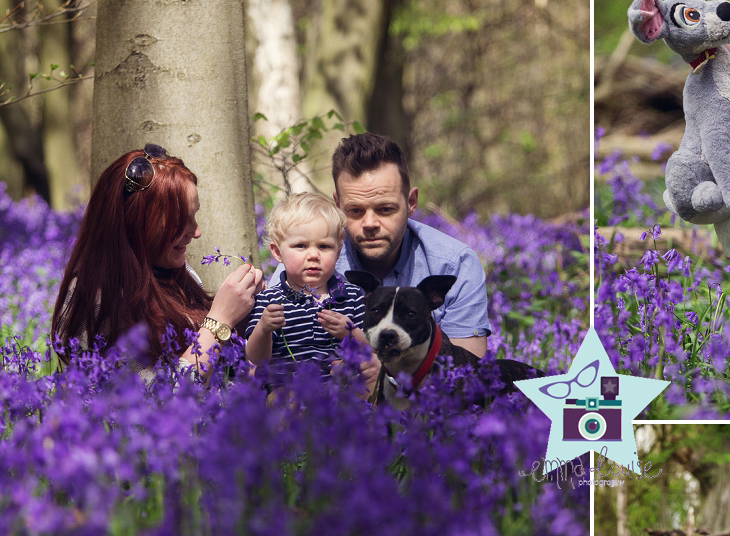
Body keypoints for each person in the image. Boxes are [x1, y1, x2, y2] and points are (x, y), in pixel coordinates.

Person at [52, 143, 263, 378]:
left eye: (194, 215)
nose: (196, 232)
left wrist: (245, 320)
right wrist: (219, 320)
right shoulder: (97, 299)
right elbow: (157, 404)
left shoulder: (179, 274)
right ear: (136, 223)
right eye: (180, 221)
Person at [271, 133, 490, 357]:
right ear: (337, 206)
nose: (370, 224)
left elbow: (465, 375)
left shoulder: (455, 264)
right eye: (355, 211)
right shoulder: (306, 263)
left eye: (385, 209)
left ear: (411, 202)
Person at [245, 192, 371, 373]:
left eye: (324, 246)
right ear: (277, 252)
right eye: (301, 246)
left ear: (338, 250)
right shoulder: (268, 300)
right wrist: (264, 329)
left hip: (341, 395)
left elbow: (372, 351)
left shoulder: (353, 297)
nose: (313, 255)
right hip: (287, 394)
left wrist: (351, 334)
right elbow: (256, 358)